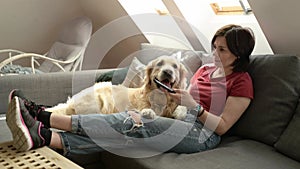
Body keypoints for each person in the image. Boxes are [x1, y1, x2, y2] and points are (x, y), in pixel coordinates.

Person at [6, 24, 255, 158]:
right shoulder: (206, 70)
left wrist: (195, 106)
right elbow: (182, 98)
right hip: (181, 118)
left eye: (221, 50)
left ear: (239, 54)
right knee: (122, 138)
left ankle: (44, 116)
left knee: (134, 121)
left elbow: (221, 127)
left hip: (203, 134)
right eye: (214, 47)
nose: (214, 54)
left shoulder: (242, 81)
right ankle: (46, 137)